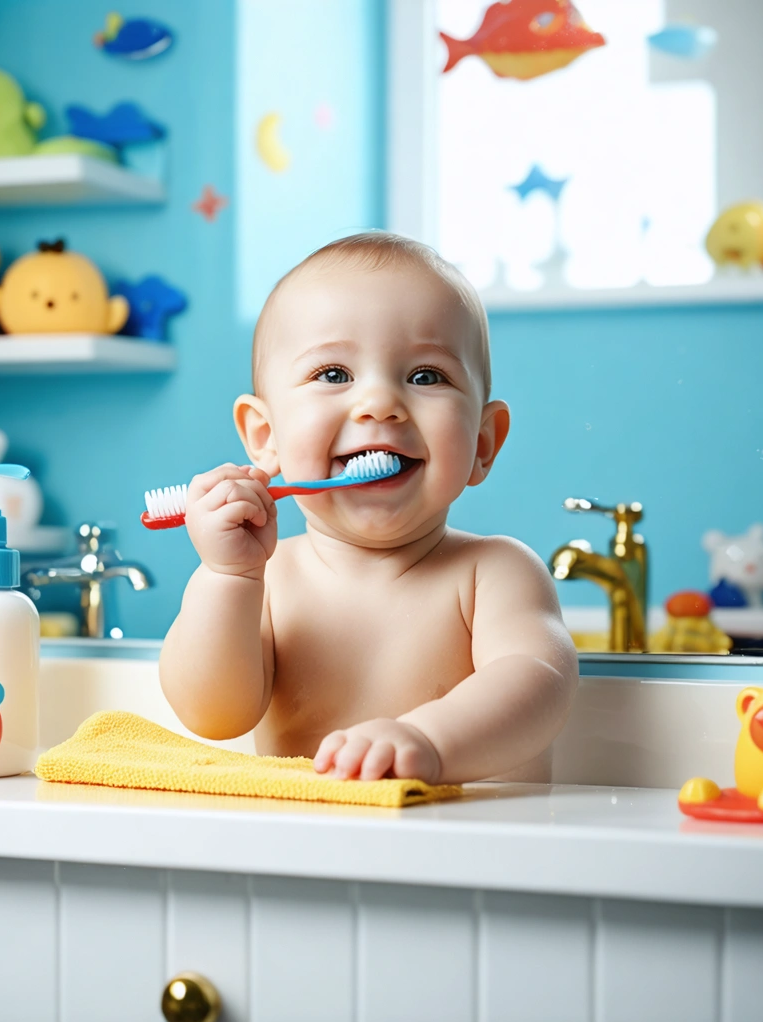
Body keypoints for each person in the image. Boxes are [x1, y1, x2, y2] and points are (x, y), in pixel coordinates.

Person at [160, 232, 577, 784]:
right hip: (316, 853)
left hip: (469, 854)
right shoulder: (269, 579)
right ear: (266, 436)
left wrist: (429, 740)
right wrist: (229, 576)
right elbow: (212, 714)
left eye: (426, 376)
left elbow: (538, 682)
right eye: (333, 375)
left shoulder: (495, 573)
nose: (380, 402)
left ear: (482, 443)